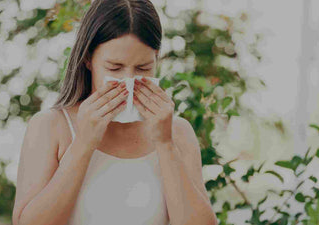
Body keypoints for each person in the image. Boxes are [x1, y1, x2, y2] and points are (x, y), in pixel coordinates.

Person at [12, 0, 217, 225]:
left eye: (143, 68)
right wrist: (83, 143)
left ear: (157, 59)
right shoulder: (51, 126)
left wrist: (165, 144)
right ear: (88, 59)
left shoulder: (177, 133)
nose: (128, 81)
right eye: (114, 68)